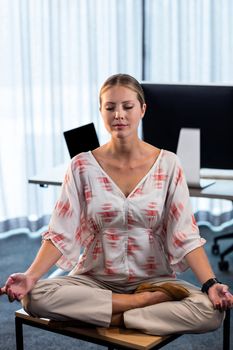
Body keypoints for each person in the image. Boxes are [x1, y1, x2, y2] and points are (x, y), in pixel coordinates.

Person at [1, 73, 232, 335]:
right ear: (101, 111)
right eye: (110, 107)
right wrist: (30, 277)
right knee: (35, 297)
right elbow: (59, 234)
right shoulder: (81, 166)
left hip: (154, 282)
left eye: (127, 106)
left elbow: (186, 236)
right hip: (94, 280)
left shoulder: (169, 164)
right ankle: (136, 306)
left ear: (142, 109)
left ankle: (112, 316)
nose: (118, 115)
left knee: (211, 312)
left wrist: (211, 284)